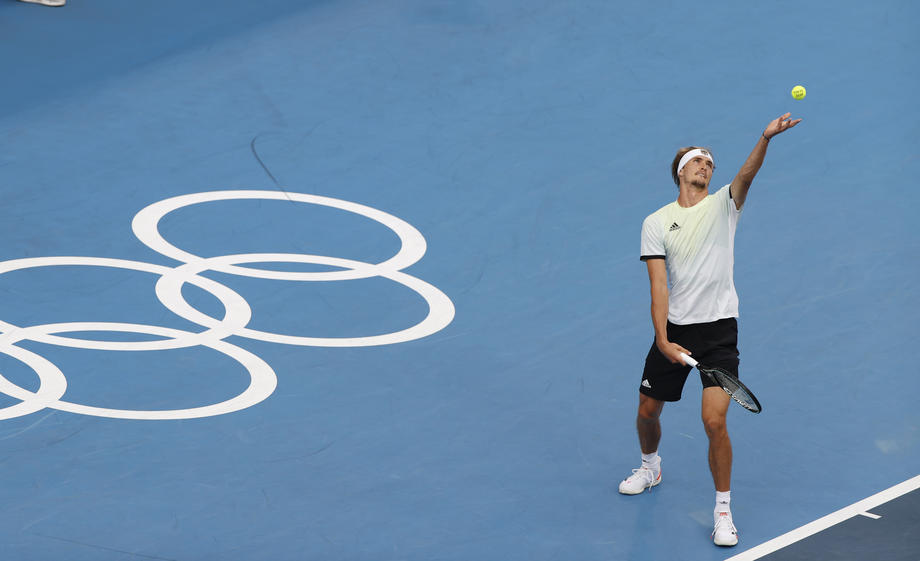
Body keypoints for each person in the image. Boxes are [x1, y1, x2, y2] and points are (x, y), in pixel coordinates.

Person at [619, 113, 801, 547]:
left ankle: (723, 511)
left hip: (719, 332)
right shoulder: (656, 222)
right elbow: (658, 286)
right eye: (698, 161)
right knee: (647, 410)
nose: (706, 166)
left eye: (710, 164)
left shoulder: (724, 205)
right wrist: (663, 340)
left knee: (714, 422)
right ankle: (650, 466)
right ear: (681, 171)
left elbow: (746, 174)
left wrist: (765, 138)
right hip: (677, 330)